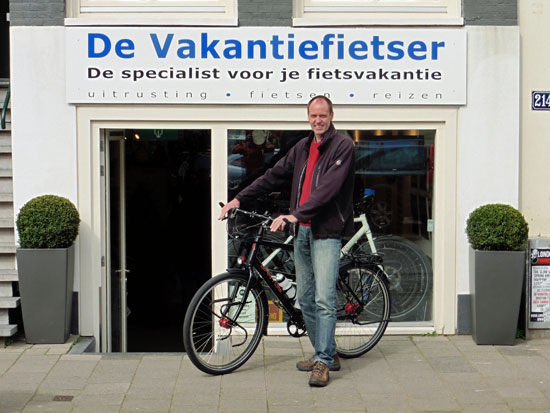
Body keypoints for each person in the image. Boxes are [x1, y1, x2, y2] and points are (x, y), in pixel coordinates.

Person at [219, 95, 355, 387]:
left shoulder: (343, 145)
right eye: (313, 116)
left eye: (323, 115)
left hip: (326, 230)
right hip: (302, 231)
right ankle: (326, 353)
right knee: (305, 297)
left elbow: (328, 189)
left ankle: (323, 360)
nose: (318, 120)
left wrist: (295, 214)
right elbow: (273, 175)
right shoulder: (303, 147)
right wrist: (239, 198)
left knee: (324, 299)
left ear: (331, 116)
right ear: (308, 117)